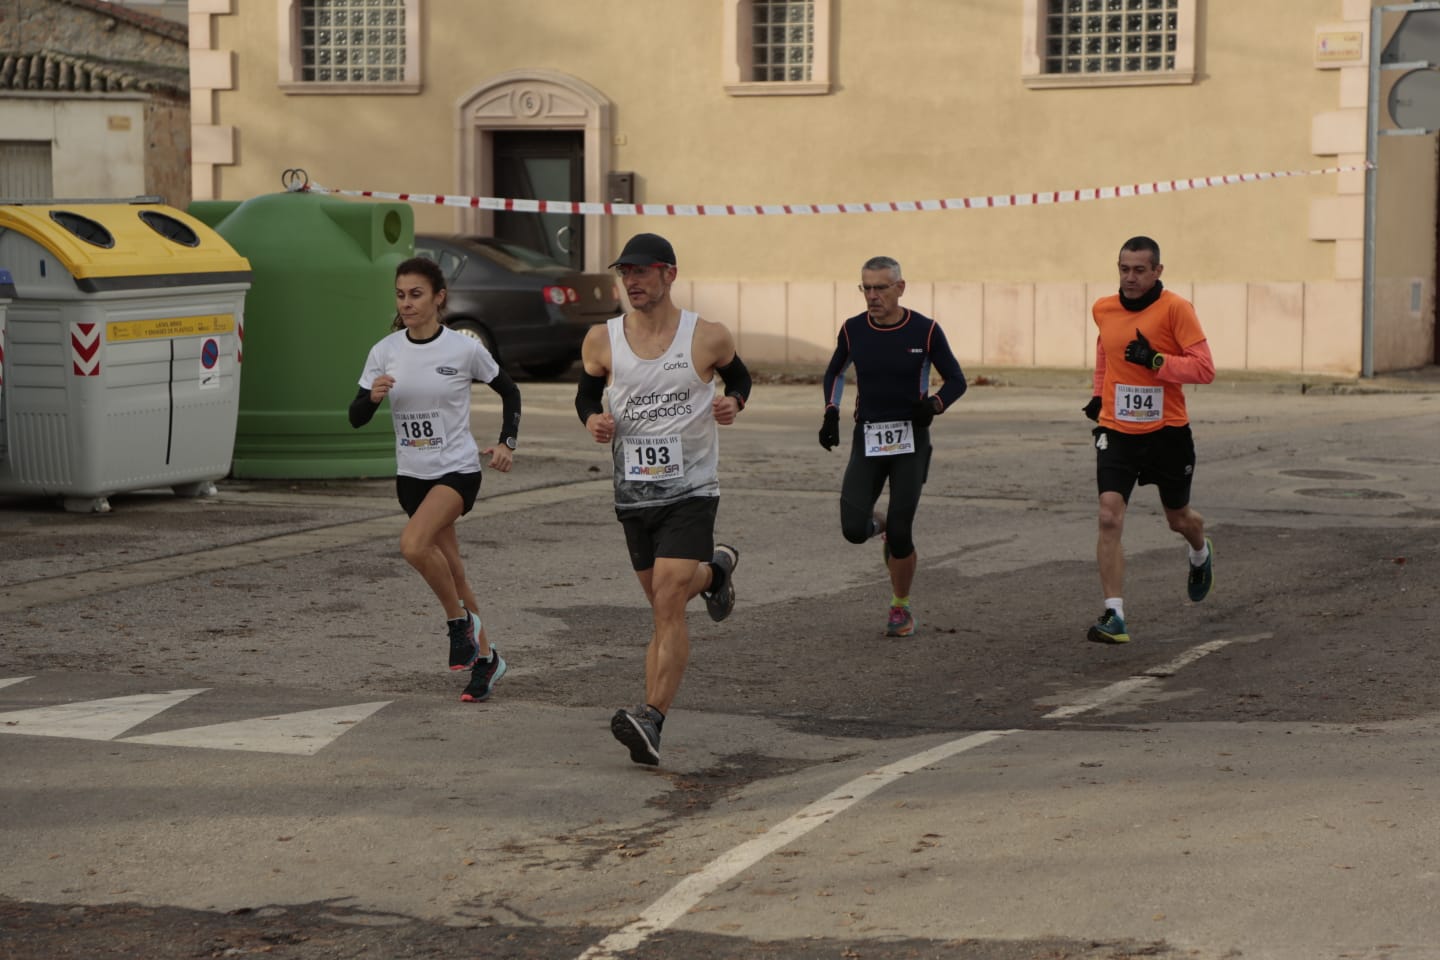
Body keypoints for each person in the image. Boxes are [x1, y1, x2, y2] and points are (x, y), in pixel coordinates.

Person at [575, 232, 752, 766]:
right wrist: (592, 417)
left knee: (670, 599)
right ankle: (717, 572)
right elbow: (587, 388)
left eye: (642, 272)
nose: (632, 282)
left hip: (692, 489)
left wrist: (733, 401)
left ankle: (651, 717)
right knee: (663, 601)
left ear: (669, 274)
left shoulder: (707, 336)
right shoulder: (602, 339)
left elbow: (739, 375)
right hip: (633, 493)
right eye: (625, 273)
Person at [349, 256, 520, 701]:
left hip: (457, 470)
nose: (407, 303)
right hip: (412, 477)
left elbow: (509, 390)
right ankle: (487, 660)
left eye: (416, 294)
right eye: (401, 295)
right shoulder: (385, 351)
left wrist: (507, 442)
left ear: (438, 297)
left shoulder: (462, 349)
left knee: (412, 544)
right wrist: (371, 397)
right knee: (455, 574)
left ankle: (456, 626)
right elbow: (355, 417)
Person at [819, 256, 967, 637]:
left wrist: (934, 405)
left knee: (902, 532)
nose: (872, 296)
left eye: (880, 288)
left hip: (910, 439)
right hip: (868, 438)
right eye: (865, 288)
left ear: (900, 288)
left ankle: (900, 606)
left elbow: (956, 380)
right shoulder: (853, 330)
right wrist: (831, 412)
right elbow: (835, 370)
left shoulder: (926, 330)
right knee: (853, 529)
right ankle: (878, 523)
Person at [1081, 235, 1215, 644]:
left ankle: (1199, 550)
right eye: (1124, 269)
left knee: (1178, 519)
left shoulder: (1176, 308)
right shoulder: (1103, 308)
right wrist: (1099, 393)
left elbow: (1204, 368)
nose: (1130, 277)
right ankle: (1114, 615)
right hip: (1117, 429)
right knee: (1108, 514)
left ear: (1158, 271)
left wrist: (1157, 361)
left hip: (1167, 432)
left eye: (1140, 270)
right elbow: (1107, 351)